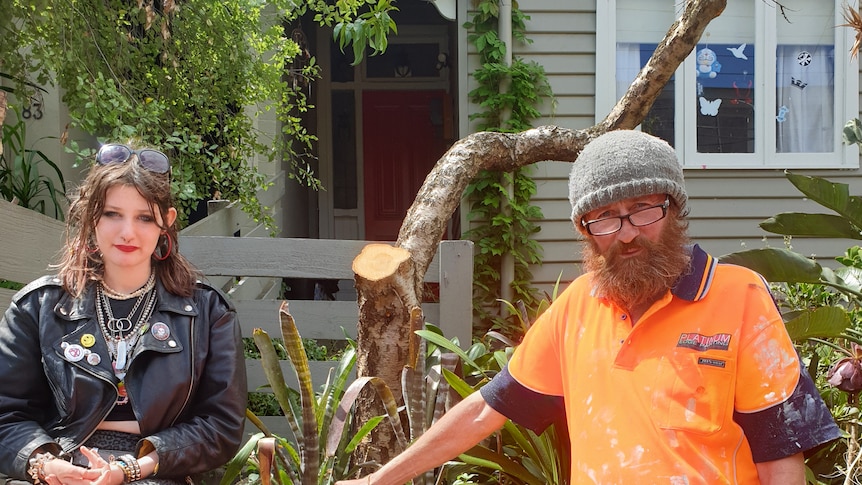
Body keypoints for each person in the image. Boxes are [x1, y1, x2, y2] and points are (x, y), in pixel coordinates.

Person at [335, 130, 841, 484]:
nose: (627, 232)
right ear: (585, 231)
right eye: (604, 217)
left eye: (643, 208)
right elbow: (487, 408)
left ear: (674, 206)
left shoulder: (738, 297)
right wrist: (382, 480)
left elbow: (781, 455)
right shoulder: (577, 306)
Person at [0, 143, 247, 484]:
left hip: (156, 471)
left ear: (166, 222)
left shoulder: (207, 312)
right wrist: (46, 465)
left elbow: (221, 425)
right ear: (90, 216)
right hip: (58, 465)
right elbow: (6, 415)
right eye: (112, 214)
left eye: (144, 217)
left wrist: (133, 468)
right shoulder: (38, 306)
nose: (127, 232)